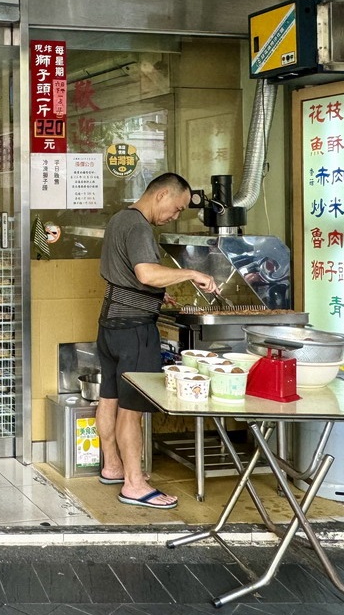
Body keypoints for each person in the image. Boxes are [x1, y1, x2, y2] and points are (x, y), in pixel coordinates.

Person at [95, 172, 219, 510]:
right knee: (131, 409)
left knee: (109, 397)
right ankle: (134, 484)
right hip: (134, 330)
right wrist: (193, 274)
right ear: (162, 194)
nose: (175, 216)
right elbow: (146, 274)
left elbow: (127, 279)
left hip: (110, 324)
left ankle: (112, 466)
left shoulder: (119, 218)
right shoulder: (139, 226)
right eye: (177, 209)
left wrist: (156, 299)